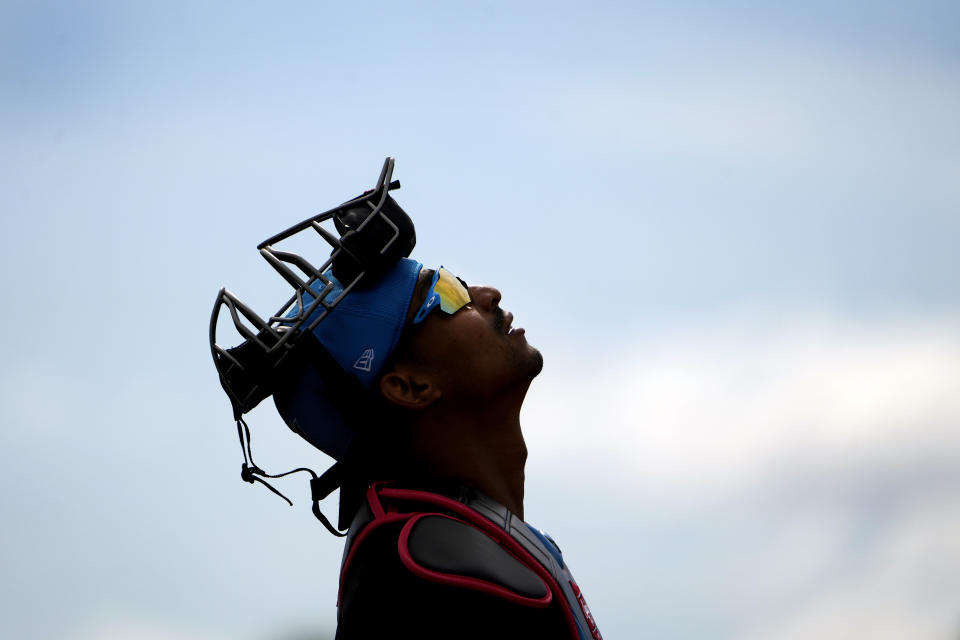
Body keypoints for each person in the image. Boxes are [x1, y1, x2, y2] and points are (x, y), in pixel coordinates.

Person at [210, 160, 602, 639]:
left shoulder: (463, 539)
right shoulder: (419, 564)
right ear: (410, 387)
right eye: (449, 294)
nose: (486, 293)